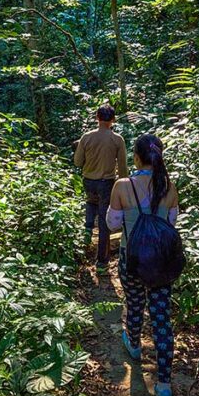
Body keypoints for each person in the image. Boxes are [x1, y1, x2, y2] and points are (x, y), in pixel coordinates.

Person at [106, 133, 180, 396]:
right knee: (161, 318)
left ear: (135, 157)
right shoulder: (169, 187)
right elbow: (170, 224)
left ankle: (134, 346)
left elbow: (113, 224)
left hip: (132, 260)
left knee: (135, 304)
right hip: (161, 263)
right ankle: (164, 386)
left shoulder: (122, 186)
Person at [73, 105, 129, 273]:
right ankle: (102, 264)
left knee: (91, 202)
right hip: (107, 183)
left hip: (88, 181)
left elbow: (77, 162)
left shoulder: (86, 137)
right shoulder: (117, 139)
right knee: (105, 221)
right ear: (113, 120)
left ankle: (88, 229)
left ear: (97, 117)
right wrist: (124, 186)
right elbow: (123, 167)